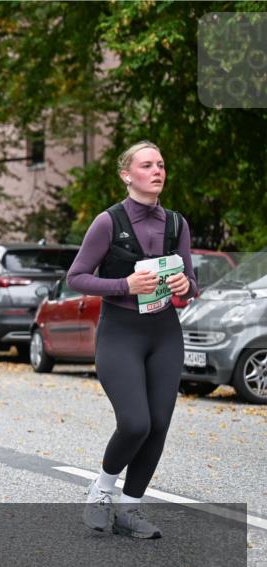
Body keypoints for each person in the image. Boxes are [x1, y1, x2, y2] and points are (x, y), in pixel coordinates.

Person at [67, 141, 196, 539]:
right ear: (127, 175)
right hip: (120, 332)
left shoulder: (176, 223)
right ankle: (102, 489)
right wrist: (125, 283)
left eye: (161, 164)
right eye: (147, 165)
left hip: (165, 333)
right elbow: (76, 277)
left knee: (158, 425)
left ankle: (130, 509)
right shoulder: (108, 222)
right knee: (135, 422)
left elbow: (192, 287)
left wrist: (184, 285)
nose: (157, 170)